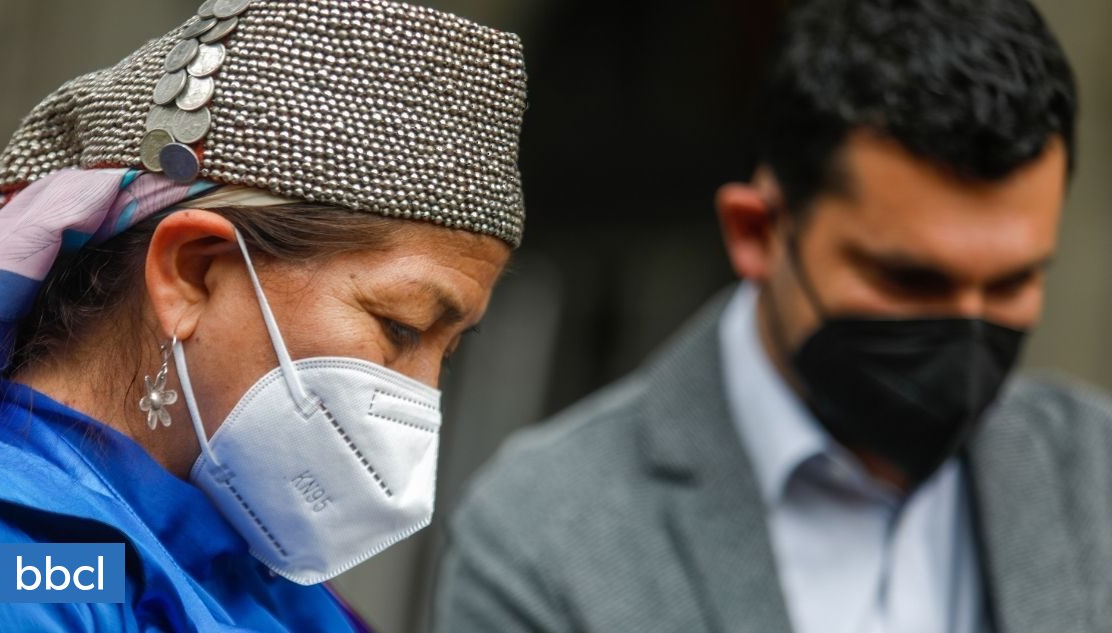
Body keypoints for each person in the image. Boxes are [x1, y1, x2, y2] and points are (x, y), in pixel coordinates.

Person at [434, 1, 1107, 632]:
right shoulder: (544, 536)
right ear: (756, 232)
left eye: (1013, 281)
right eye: (909, 280)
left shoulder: (1096, 475)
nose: (965, 326)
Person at [0, 0, 526, 630]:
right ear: (192, 272)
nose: (422, 398)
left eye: (450, 351)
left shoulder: (263, 578)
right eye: (402, 326)